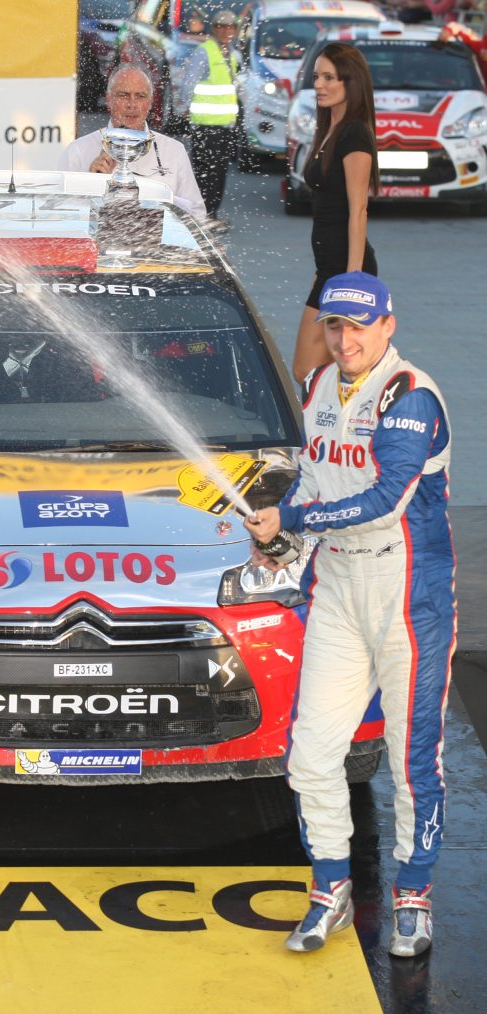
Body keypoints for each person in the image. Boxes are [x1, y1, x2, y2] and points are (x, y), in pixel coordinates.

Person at [245, 271, 455, 958]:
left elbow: (387, 498)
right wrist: (283, 533)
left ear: (388, 325)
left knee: (410, 758)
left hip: (407, 595)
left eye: (359, 326)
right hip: (337, 587)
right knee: (310, 754)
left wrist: (297, 519)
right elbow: (313, 479)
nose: (345, 340)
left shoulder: (410, 395)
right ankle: (330, 889)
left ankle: (413, 896)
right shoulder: (317, 388)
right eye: (335, 326)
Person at [291, 43, 379, 384]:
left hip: (346, 271)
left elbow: (358, 210)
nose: (319, 85)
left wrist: (352, 281)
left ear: (350, 82)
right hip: (328, 270)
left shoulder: (355, 133)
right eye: (317, 77)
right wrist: (321, 274)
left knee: (307, 371)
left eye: (329, 78)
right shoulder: (330, 127)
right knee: (333, 372)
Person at [57, 64, 207, 219]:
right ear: (108, 100)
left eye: (140, 96)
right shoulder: (78, 151)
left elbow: (197, 215)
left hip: (156, 235)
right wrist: (91, 185)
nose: (132, 104)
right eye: (123, 95)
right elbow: (62, 216)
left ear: (150, 102)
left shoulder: (174, 151)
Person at [177, 9, 240, 221]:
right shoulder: (205, 52)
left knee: (219, 172)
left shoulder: (231, 54)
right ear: (213, 29)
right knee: (206, 173)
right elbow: (189, 83)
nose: (225, 31)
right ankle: (201, 216)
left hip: (224, 125)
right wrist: (185, 109)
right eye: (221, 27)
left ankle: (212, 214)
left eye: (230, 27)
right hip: (206, 125)